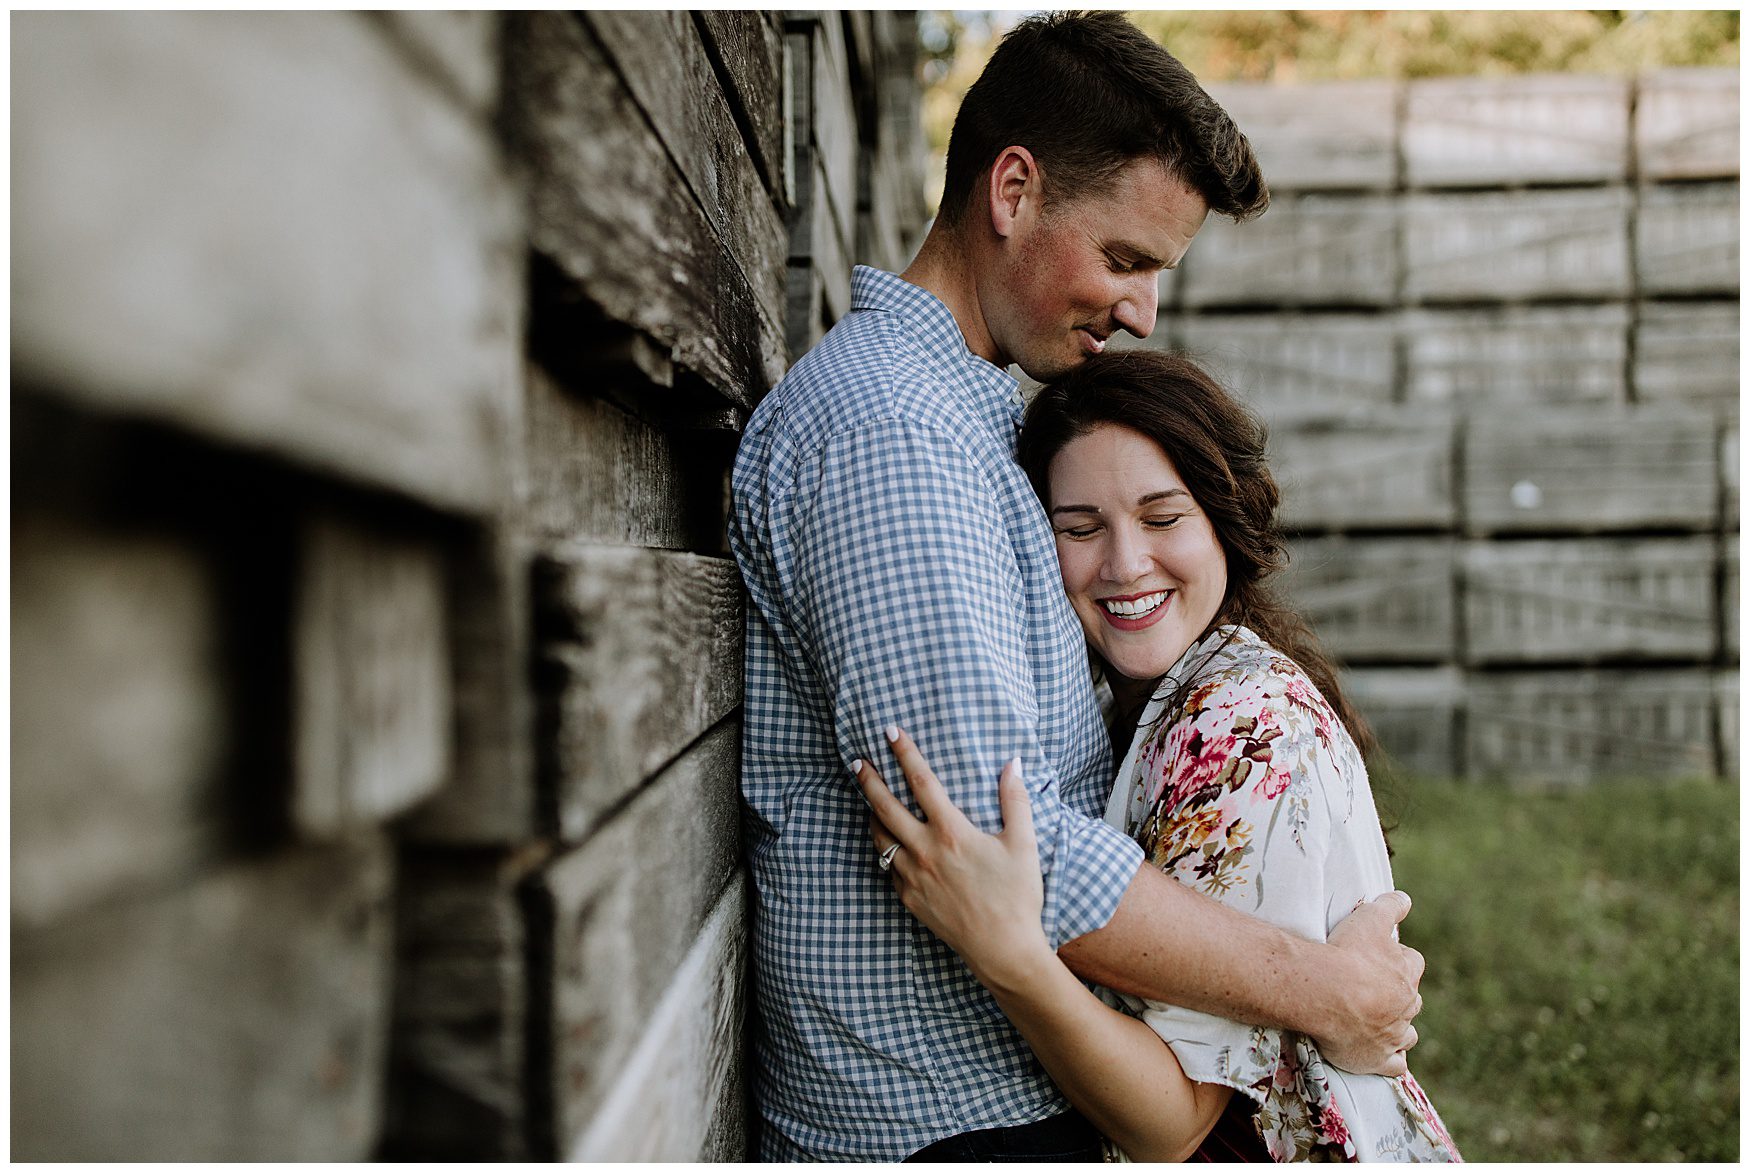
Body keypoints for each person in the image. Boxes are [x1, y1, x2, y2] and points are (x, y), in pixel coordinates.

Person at [728, 11, 1423, 1162]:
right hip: (942, 1129)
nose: (1142, 311)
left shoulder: (964, 418)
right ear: (1013, 191)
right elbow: (995, 845)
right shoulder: (893, 438)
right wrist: (1322, 989)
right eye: (1126, 259)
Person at [858, 349, 1461, 1162]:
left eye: (1163, 517)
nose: (1125, 564)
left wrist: (1008, 953)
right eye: (1080, 528)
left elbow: (1171, 1125)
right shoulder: (1155, 697)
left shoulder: (1238, 727)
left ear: (1222, 520)